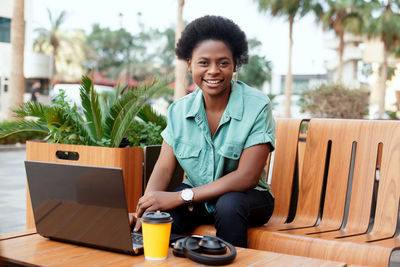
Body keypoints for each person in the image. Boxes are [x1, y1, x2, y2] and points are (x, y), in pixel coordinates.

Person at [131, 15, 275, 248]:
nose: (213, 71)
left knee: (228, 205)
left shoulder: (257, 105)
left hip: (247, 200)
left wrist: (180, 196)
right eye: (204, 62)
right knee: (159, 223)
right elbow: (165, 167)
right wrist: (147, 208)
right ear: (190, 64)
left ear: (235, 65)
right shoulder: (179, 110)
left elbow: (246, 176)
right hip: (196, 199)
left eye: (223, 63)